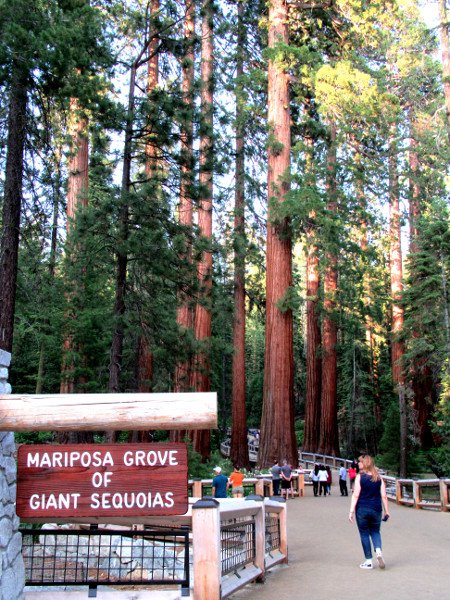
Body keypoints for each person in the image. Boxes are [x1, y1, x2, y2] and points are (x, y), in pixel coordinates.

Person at [348, 455, 390, 570]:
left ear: (365, 464)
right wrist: (387, 511)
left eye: (360, 462)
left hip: (362, 509)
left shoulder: (359, 477)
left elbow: (356, 494)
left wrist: (351, 511)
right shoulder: (378, 478)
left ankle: (368, 560)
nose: (358, 464)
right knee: (376, 532)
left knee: (364, 534)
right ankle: (378, 551)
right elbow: (384, 496)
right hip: (376, 509)